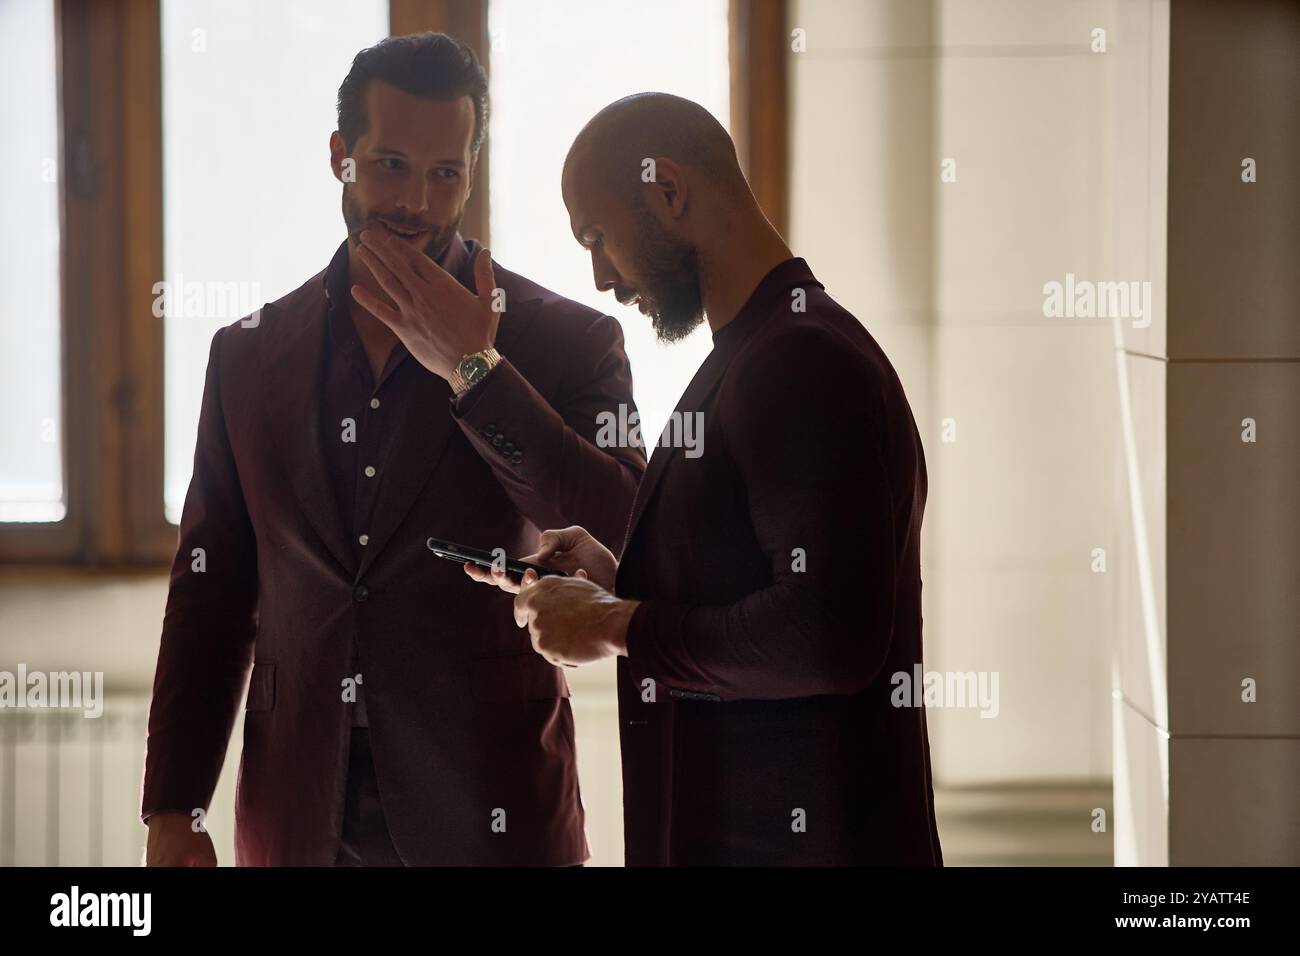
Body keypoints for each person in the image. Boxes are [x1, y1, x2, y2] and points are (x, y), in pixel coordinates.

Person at [141, 33, 645, 866]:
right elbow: (212, 587)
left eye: (444, 173)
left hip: (495, 814)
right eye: (390, 164)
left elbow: (625, 525)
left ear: (472, 173)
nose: (416, 199)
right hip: (296, 816)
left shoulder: (570, 341)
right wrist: (172, 807)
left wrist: (476, 372)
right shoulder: (246, 355)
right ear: (341, 156)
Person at [468, 92, 943, 865]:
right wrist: (622, 586)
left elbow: (826, 637)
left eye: (597, 236)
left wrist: (617, 625)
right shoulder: (761, 352)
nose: (596, 275)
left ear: (669, 192)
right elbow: (767, 596)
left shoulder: (799, 360)